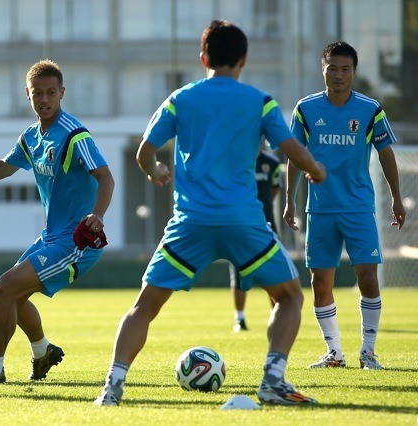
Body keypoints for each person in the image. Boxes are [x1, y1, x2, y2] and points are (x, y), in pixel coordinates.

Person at [94, 20, 326, 407]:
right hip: (243, 221)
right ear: (243, 59)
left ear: (203, 57)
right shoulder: (260, 101)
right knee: (288, 296)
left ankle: (112, 387)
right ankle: (272, 380)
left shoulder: (180, 99)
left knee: (145, 306)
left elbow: (144, 154)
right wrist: (316, 170)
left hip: (191, 222)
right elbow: (291, 150)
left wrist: (156, 172)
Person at [0, 59, 114, 384]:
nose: (44, 99)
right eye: (38, 93)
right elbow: (3, 166)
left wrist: (97, 214)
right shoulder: (31, 137)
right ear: (27, 94)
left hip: (76, 242)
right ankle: (43, 351)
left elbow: (106, 178)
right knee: (14, 292)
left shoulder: (74, 134)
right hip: (53, 237)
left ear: (62, 93)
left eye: (51, 93)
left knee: (5, 287)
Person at [284, 41, 405, 370]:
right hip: (320, 208)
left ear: (354, 72)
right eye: (332, 68)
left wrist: (395, 196)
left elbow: (386, 153)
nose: (338, 74)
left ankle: (368, 352)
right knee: (319, 282)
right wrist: (290, 201)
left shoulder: (369, 109)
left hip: (357, 207)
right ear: (322, 69)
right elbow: (294, 157)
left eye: (345, 69)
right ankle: (334, 352)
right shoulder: (306, 109)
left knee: (367, 276)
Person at [231, 146, 281, 332]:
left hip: (266, 224)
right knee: (238, 272)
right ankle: (240, 319)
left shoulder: (272, 163)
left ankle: (276, 316)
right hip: (240, 224)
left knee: (273, 272)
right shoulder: (236, 160)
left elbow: (275, 189)